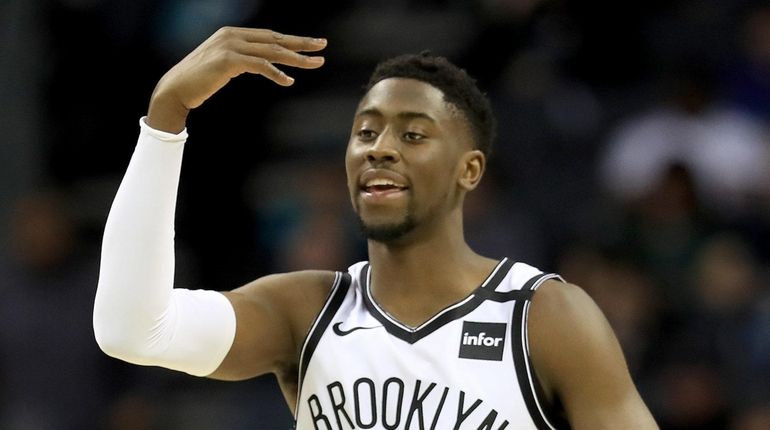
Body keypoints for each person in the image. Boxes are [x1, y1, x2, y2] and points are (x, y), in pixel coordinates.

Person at [93, 26, 659, 429]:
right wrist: (166, 117)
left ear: (470, 170)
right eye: (366, 132)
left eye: (412, 135)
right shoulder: (306, 310)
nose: (381, 149)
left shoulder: (545, 316)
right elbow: (131, 331)